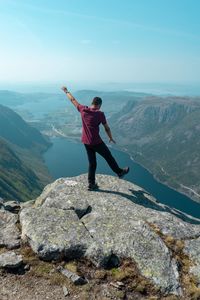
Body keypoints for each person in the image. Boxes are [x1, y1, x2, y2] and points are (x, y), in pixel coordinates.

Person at [61, 86, 129, 190]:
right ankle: (119, 172)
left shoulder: (83, 109)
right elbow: (107, 128)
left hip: (86, 141)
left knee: (92, 163)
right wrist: (110, 137)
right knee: (108, 157)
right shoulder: (100, 114)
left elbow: (72, 100)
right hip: (96, 142)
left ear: (92, 102)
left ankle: (91, 184)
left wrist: (66, 91)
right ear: (99, 105)